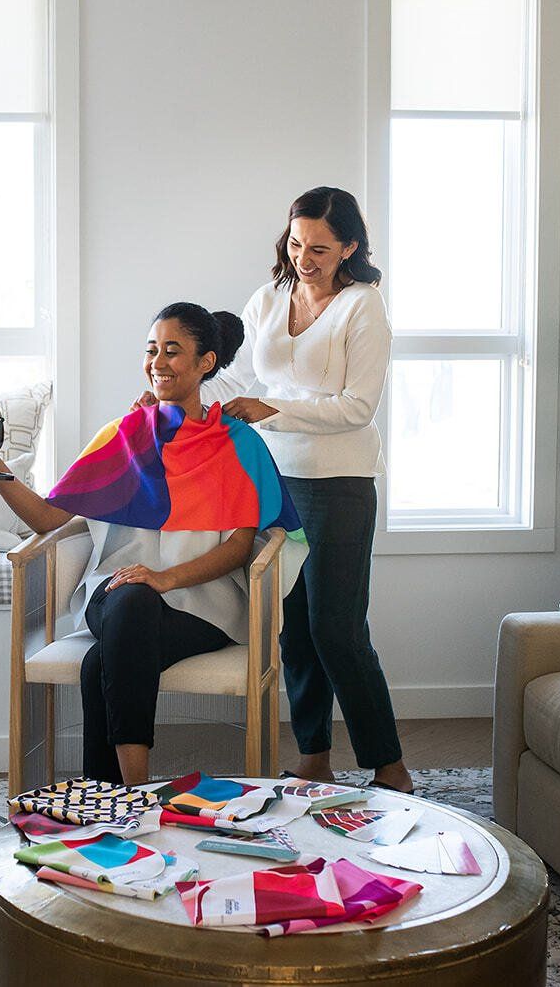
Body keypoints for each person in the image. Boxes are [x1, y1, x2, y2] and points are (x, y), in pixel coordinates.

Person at [0, 303, 301, 786]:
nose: (157, 361)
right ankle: (139, 794)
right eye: (151, 349)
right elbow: (46, 517)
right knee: (132, 599)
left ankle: (108, 797)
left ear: (206, 362)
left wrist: (165, 578)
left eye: (173, 351)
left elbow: (241, 548)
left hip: (204, 606)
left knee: (101, 661)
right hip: (116, 594)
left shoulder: (237, 443)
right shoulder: (125, 435)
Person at [196, 186, 411, 793]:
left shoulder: (363, 307)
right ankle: (314, 754)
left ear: (349, 247)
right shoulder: (268, 298)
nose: (304, 257)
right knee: (291, 626)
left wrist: (272, 410)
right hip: (274, 479)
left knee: (337, 628)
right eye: (295, 243)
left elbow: (357, 407)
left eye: (319, 247)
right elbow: (239, 375)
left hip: (339, 482)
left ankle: (389, 764)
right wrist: (183, 396)